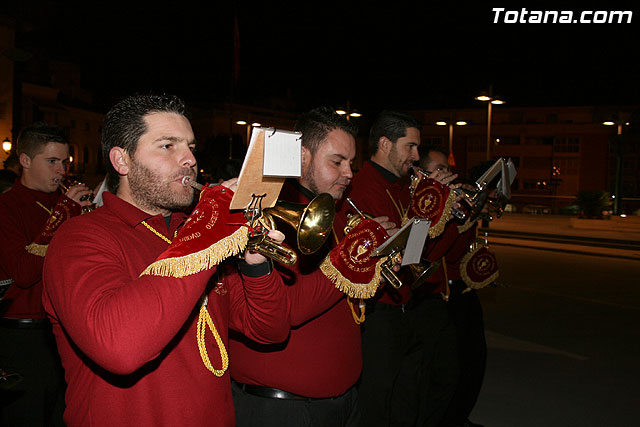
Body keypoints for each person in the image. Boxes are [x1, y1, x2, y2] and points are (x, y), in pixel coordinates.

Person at [41, 94, 291, 427]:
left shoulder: (196, 234)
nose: (189, 159)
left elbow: (269, 331)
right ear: (122, 161)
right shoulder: (80, 236)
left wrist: (255, 264)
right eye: (167, 146)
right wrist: (206, 233)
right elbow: (119, 348)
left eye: (190, 147)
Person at [230, 106, 392, 427]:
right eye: (337, 161)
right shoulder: (266, 217)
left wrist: (376, 264)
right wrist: (352, 255)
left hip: (342, 400)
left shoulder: (336, 213)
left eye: (351, 162)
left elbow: (342, 297)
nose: (349, 172)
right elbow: (290, 309)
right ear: (302, 157)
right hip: (284, 408)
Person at [338, 110, 459, 426]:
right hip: (379, 316)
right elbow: (390, 256)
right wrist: (430, 209)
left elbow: (419, 256)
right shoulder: (363, 188)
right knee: (377, 406)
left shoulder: (403, 186)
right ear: (384, 144)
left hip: (406, 310)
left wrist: (444, 212)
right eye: (410, 147)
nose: (416, 156)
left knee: (407, 402)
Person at [0, 122, 92, 426]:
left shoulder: (63, 203)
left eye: (64, 161)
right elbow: (24, 273)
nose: (62, 170)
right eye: (52, 161)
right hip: (22, 335)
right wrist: (64, 215)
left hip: (66, 330)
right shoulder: (7, 207)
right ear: (25, 160)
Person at [420, 146, 487, 427]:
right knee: (446, 368)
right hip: (436, 294)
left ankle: (458, 416)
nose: (447, 174)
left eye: (446, 169)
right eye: (439, 169)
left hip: (454, 289)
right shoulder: (425, 205)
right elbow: (437, 253)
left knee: (473, 357)